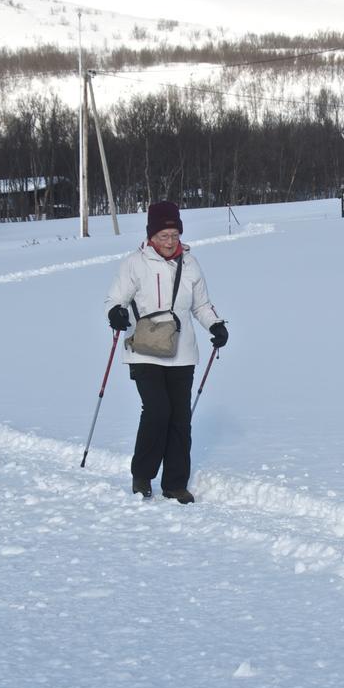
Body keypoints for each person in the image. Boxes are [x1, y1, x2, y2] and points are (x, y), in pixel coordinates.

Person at [104, 201, 228, 503]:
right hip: (144, 348)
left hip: (182, 352)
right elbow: (114, 300)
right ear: (151, 236)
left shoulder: (191, 264)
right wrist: (115, 315)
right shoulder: (135, 263)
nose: (169, 241)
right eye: (163, 235)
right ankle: (143, 475)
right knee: (157, 410)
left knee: (179, 418)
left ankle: (174, 483)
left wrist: (215, 325)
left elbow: (201, 305)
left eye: (173, 234)